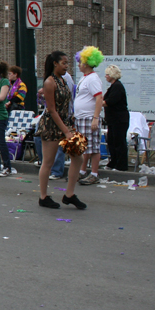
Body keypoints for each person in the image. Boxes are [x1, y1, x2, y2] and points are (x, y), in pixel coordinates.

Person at [36, 51, 86, 210]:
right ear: (55, 63)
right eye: (64, 63)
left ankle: (69, 194)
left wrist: (69, 126)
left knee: (78, 157)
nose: (66, 66)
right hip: (51, 126)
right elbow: (51, 109)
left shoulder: (63, 81)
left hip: (65, 123)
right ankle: (43, 196)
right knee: (48, 162)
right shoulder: (49, 82)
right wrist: (66, 131)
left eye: (67, 63)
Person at [73, 46, 105, 186]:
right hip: (81, 117)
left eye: (80, 62)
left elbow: (99, 98)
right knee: (84, 146)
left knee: (93, 147)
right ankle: (82, 171)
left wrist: (95, 118)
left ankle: (94, 173)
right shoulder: (84, 78)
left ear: (86, 63)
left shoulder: (93, 79)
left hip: (89, 117)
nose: (79, 65)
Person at [102, 65, 130, 172]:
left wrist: (99, 103)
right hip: (113, 119)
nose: (105, 76)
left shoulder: (117, 87)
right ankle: (113, 162)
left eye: (107, 74)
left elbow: (111, 101)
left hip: (119, 119)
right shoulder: (113, 87)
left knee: (119, 142)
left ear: (112, 75)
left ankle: (121, 165)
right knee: (112, 141)